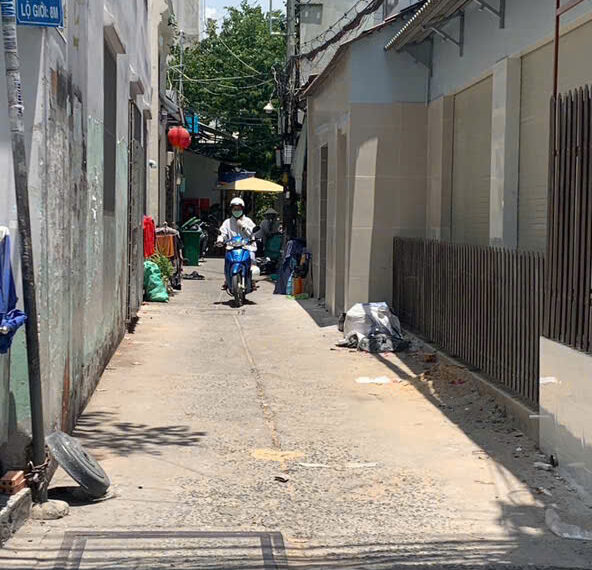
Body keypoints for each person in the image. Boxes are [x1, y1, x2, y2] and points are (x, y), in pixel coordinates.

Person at [216, 197, 256, 289]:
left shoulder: (248, 221)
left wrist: (244, 227)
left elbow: (254, 233)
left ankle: (252, 280)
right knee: (227, 261)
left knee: (252, 259)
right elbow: (223, 233)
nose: (236, 211)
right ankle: (227, 279)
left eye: (238, 209)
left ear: (242, 209)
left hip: (246, 247)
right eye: (235, 209)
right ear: (231, 210)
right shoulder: (227, 222)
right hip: (232, 247)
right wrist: (220, 240)